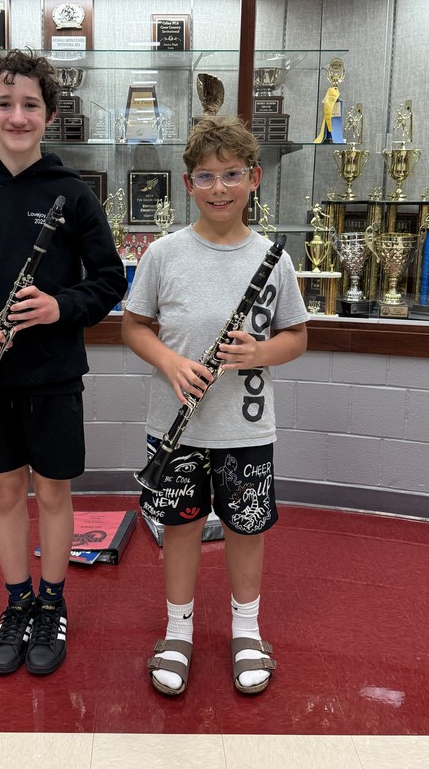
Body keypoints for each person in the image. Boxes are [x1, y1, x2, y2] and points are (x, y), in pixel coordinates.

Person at [0, 49, 126, 678]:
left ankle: (53, 602)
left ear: (50, 115)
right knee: (5, 491)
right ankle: (17, 602)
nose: (17, 115)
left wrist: (59, 307)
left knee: (55, 492)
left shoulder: (72, 194)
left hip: (54, 371)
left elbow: (111, 280)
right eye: (4, 104)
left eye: (30, 104)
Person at [121, 116, 308, 696]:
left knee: (245, 530)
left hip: (245, 427)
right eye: (206, 176)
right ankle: (177, 632)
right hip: (175, 429)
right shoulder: (164, 254)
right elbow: (134, 326)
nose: (220, 188)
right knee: (178, 528)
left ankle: (246, 632)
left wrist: (258, 352)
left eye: (232, 175)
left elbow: (296, 337)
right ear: (187, 183)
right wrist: (171, 363)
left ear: (253, 179)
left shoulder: (273, 259)